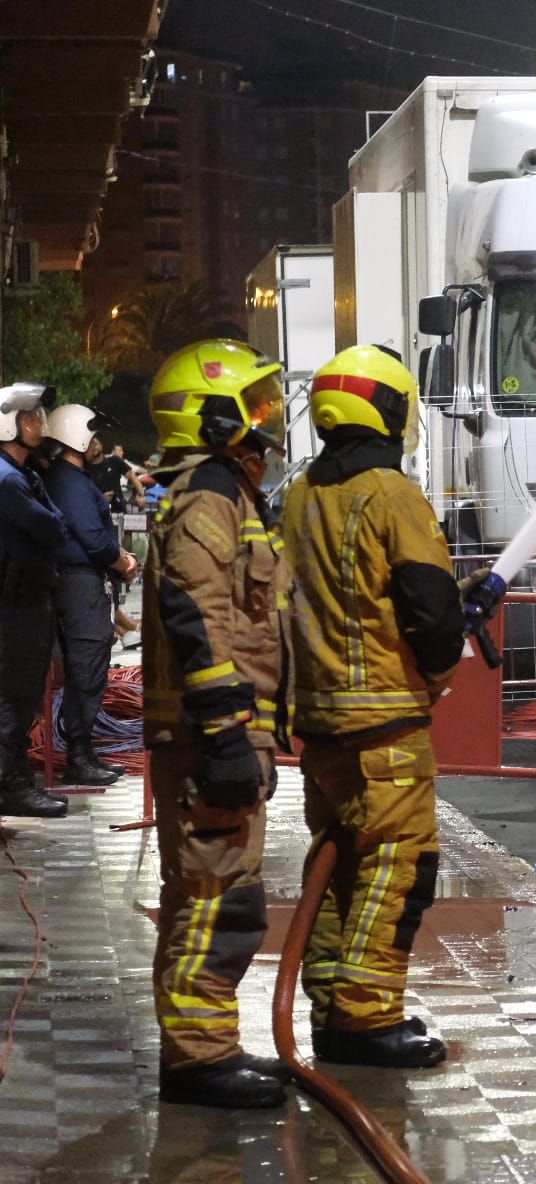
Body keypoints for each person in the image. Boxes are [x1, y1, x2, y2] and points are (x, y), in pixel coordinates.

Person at [284, 345, 466, 1071]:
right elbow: (429, 605)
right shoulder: (392, 494)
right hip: (386, 728)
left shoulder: (300, 494)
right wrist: (442, 668)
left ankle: (331, 1008)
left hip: (320, 726)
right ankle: (366, 1021)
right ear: (389, 410)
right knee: (397, 869)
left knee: (335, 872)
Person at [141, 340, 294, 1108]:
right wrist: (229, 732)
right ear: (215, 417)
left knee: (210, 892)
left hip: (217, 732)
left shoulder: (223, 493)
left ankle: (207, 1047)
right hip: (209, 739)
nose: (265, 422)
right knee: (215, 898)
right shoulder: (208, 496)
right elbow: (196, 616)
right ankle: (200, 1061)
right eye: (254, 405)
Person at [41, 405, 138, 786]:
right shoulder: (73, 484)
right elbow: (94, 539)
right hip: (81, 584)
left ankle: (82, 751)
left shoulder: (65, 479)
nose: (98, 443)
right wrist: (124, 561)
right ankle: (79, 756)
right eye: (93, 435)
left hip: (76, 582)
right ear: (76, 436)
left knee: (86, 667)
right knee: (87, 668)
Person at [0, 383, 70, 819]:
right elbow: (53, 529)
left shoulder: (22, 474)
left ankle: (15, 776)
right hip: (15, 606)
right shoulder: (9, 481)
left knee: (21, 695)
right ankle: (10, 784)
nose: (37, 423)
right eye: (28, 417)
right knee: (13, 695)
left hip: (26, 601)